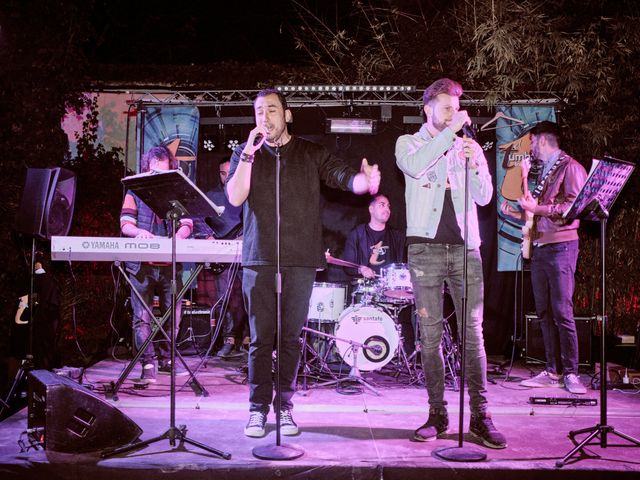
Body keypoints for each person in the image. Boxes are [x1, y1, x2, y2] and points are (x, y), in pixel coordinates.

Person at [226, 88, 380, 438]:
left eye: (273, 110)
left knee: (290, 339)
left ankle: (284, 408)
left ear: (287, 115)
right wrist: (249, 155)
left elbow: (342, 176)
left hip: (299, 259)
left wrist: (363, 182)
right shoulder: (245, 154)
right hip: (259, 257)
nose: (266, 117)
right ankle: (256, 408)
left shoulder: (311, 152)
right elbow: (235, 197)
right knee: (260, 339)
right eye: (260, 112)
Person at [395, 78, 506, 449]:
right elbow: (414, 166)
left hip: (465, 250)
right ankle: (437, 414)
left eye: (457, 108)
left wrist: (475, 164)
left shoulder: (465, 147)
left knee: (472, 334)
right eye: (447, 107)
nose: (454, 114)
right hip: (425, 250)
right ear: (428, 109)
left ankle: (480, 415)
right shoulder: (409, 143)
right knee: (430, 337)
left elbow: (486, 197)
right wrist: (449, 138)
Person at [501, 121, 588, 394]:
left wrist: (535, 207)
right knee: (544, 312)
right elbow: (536, 212)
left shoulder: (570, 167)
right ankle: (551, 371)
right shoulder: (548, 171)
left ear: (542, 140)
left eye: (533, 143)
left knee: (562, 311)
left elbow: (574, 206)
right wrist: (518, 213)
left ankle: (571, 373)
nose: (532, 149)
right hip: (540, 247)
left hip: (561, 246)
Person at [120, 145, 193, 383]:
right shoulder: (135, 191)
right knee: (142, 316)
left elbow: (188, 223)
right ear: (146, 169)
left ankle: (167, 359)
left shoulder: (175, 192)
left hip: (169, 265)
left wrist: (179, 236)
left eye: (162, 172)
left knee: (174, 314)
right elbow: (125, 224)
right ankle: (147, 362)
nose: (157, 177)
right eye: (153, 172)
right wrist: (139, 232)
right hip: (141, 265)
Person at [195, 157, 248, 358]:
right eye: (222, 173)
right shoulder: (211, 196)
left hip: (245, 253)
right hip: (221, 255)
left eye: (229, 172)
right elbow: (197, 219)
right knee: (223, 299)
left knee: (248, 297)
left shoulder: (246, 194)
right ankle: (228, 338)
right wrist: (208, 235)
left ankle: (248, 338)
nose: (226, 177)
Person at [343, 194, 405, 280]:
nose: (387, 210)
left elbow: (405, 265)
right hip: (365, 288)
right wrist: (361, 269)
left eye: (388, 206)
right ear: (371, 209)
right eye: (382, 205)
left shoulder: (397, 236)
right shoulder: (357, 234)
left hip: (391, 288)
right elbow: (347, 265)